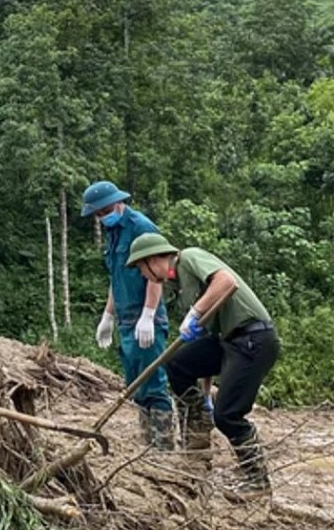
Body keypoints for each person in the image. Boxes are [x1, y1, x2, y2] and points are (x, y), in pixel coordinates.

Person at [126, 232, 280, 499]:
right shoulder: (181, 286)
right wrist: (205, 393)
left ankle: (257, 480)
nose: (143, 275)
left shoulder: (189, 258)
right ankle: (198, 431)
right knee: (178, 365)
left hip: (252, 339)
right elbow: (208, 338)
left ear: (153, 259)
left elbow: (226, 282)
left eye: (141, 267)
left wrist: (195, 312)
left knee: (228, 414)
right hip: (227, 341)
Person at [80, 180, 175, 450]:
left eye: (104, 211)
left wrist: (148, 314)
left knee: (154, 383)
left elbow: (158, 274)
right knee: (136, 385)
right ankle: (147, 445)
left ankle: (164, 448)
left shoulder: (141, 228)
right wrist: (108, 316)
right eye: (98, 215)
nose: (102, 218)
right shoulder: (113, 234)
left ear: (117, 203)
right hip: (125, 319)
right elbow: (116, 277)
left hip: (147, 319)